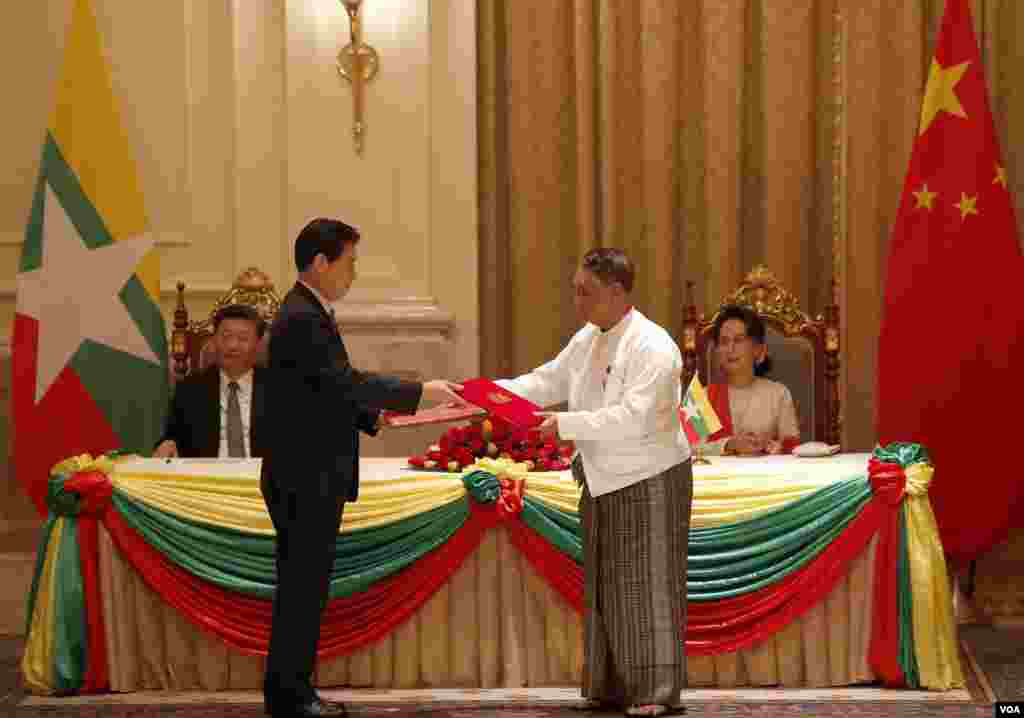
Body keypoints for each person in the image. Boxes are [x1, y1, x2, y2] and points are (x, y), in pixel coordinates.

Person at [260, 218, 465, 718]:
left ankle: (289, 691)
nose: (355, 271)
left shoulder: (308, 311)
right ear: (320, 262)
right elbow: (343, 382)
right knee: (302, 591)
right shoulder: (303, 317)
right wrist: (419, 393)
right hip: (305, 477)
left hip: (304, 473)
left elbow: (326, 392)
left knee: (303, 588)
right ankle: (292, 696)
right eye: (349, 260)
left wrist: (376, 419)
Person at [496, 248, 691, 717]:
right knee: (608, 586)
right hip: (602, 478)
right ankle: (612, 686)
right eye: (576, 291)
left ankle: (657, 692)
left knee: (647, 585)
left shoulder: (655, 346)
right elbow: (547, 380)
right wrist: (487, 392)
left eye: (586, 292)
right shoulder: (589, 337)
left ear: (618, 292)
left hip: (650, 476)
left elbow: (633, 418)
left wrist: (561, 425)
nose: (577, 302)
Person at [154, 303, 268, 458]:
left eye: (243, 338)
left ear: (258, 343)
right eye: (226, 336)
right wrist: (167, 443)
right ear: (214, 340)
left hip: (262, 478)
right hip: (206, 477)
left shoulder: (279, 388)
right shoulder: (190, 389)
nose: (233, 345)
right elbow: (172, 437)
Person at [700, 304, 800, 456]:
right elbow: (685, 450)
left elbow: (792, 447)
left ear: (759, 351)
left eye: (738, 340)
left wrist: (776, 448)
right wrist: (729, 445)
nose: (730, 348)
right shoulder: (703, 397)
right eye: (724, 342)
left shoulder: (779, 394)